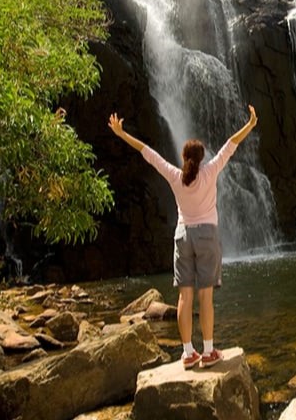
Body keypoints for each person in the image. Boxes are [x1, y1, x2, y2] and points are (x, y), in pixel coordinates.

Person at [108, 106, 257, 369]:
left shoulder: (175, 177)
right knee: (205, 297)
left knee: (184, 298)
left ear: (183, 156)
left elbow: (148, 154)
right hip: (207, 236)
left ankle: (188, 353)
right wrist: (251, 123)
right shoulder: (210, 172)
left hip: (183, 236)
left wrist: (121, 134)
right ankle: (209, 351)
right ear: (202, 158)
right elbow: (231, 144)